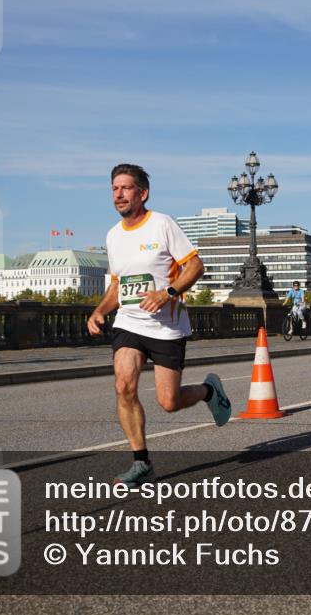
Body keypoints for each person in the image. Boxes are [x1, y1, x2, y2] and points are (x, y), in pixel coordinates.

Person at [87, 163, 231, 486]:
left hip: (167, 327)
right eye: (114, 189)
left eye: (125, 188)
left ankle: (209, 391)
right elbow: (116, 287)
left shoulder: (162, 225)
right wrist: (98, 311)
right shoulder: (112, 236)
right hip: (129, 323)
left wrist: (167, 293)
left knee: (169, 402)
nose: (119, 194)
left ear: (143, 193)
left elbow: (195, 267)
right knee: (123, 386)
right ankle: (142, 463)